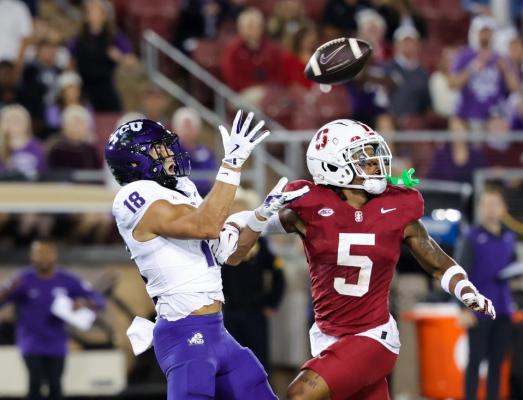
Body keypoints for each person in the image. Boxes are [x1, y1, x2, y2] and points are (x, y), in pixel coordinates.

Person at [218, 118, 497, 399]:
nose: (376, 164)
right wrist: (257, 215)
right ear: (331, 165)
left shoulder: (396, 205)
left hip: (373, 335)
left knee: (300, 393)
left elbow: (436, 261)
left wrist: (466, 289)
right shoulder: (310, 207)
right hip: (329, 336)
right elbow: (238, 249)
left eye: (375, 154)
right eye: (364, 157)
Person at [105, 110, 306, 399]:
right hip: (184, 332)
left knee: (257, 389)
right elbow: (207, 224)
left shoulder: (181, 189)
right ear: (136, 161)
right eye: (159, 150)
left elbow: (230, 254)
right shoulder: (133, 196)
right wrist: (232, 164)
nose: (171, 154)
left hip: (216, 330)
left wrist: (261, 217)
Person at [0, 239, 106, 400]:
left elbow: (98, 301)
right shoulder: (22, 279)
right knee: (35, 383)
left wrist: (84, 303)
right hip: (31, 342)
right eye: (39, 253)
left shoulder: (67, 280)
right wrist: (8, 290)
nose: (43, 257)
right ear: (32, 256)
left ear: (54, 255)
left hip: (57, 343)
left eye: (47, 253)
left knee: (55, 385)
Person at [454, 185, 515, 400]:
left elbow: (512, 266)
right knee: (475, 362)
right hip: (478, 311)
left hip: (503, 310)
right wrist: (463, 308)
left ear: (504, 208)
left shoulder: (509, 237)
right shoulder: (470, 237)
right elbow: (459, 275)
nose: (490, 209)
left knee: (497, 363)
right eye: (486, 204)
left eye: (495, 204)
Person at [221, 188, 286, 370]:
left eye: (240, 207)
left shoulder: (260, 242)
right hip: (229, 311)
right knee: (229, 360)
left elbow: (278, 273)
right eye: (233, 207)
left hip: (255, 312)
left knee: (258, 359)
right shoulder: (219, 240)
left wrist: (271, 303)